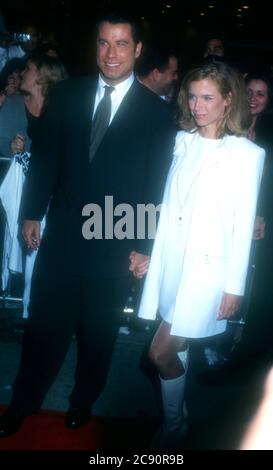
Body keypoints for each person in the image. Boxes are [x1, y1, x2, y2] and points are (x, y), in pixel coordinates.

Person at [0, 10, 175, 438]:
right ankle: (23, 402)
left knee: (98, 335)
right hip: (60, 234)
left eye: (120, 44)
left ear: (136, 50)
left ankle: (82, 401)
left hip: (115, 237)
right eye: (103, 43)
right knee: (44, 329)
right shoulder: (68, 94)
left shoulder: (156, 112)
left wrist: (144, 245)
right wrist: (30, 212)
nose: (110, 53)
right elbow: (48, 159)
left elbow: (156, 183)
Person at [134, 59, 265, 448]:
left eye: (208, 98)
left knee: (160, 352)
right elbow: (163, 204)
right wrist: (148, 253)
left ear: (228, 101)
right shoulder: (181, 141)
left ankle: (175, 427)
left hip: (209, 272)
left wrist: (234, 287)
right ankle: (177, 417)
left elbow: (242, 226)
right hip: (172, 263)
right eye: (192, 96)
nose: (198, 106)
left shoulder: (247, 155)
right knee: (176, 343)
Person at [0, 52, 68, 318]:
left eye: (28, 68)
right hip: (15, 187)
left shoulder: (62, 107)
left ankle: (41, 307)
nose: (22, 74)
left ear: (41, 77)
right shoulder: (14, 105)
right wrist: (11, 147)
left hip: (53, 192)